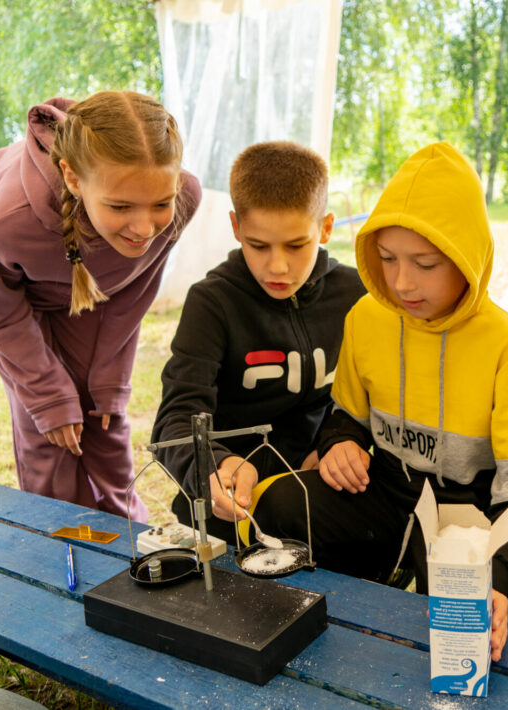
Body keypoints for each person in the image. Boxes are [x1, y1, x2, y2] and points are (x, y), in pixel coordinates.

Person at [252, 141, 508, 662]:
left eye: (426, 262)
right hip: (387, 489)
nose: (401, 282)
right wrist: (341, 443)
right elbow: (345, 415)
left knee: (459, 638)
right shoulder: (367, 318)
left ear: (468, 259)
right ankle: (358, 602)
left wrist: (499, 578)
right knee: (280, 502)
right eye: (388, 259)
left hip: (469, 513)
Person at [0, 91, 201, 522]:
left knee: (103, 414)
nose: (144, 227)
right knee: (49, 422)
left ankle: (124, 531)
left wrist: (108, 383)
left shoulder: (183, 201)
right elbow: (0, 314)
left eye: (160, 203)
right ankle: (61, 530)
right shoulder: (11, 223)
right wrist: (48, 397)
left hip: (90, 273)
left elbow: (130, 298)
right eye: (121, 206)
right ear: (74, 179)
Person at [150, 141, 365, 543]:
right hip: (230, 504)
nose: (277, 266)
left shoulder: (357, 295)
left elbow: (378, 400)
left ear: (326, 228)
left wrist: (341, 440)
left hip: (318, 490)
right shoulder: (212, 302)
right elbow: (173, 421)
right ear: (236, 227)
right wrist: (214, 465)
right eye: (258, 245)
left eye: (297, 245)